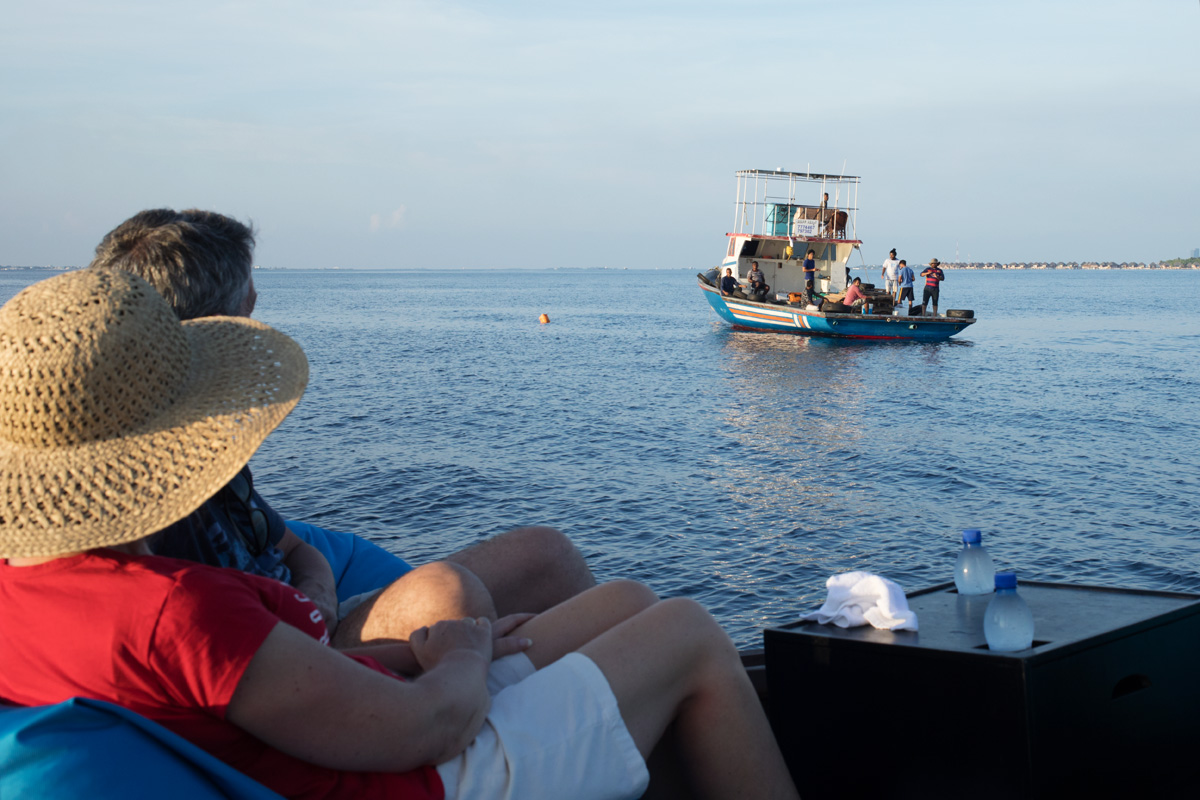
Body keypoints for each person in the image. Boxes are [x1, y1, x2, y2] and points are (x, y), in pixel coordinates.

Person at [0, 268, 801, 800]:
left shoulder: (32, 590)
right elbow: (432, 726)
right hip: (427, 773)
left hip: (352, 728)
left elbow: (266, 687)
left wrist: (434, 650)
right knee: (691, 634)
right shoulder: (174, 610)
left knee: (625, 599)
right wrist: (460, 657)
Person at [87, 209, 595, 647]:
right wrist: (456, 657)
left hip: (306, 626)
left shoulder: (203, 447)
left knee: (549, 553)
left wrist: (317, 598)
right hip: (290, 665)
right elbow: (230, 669)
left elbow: (291, 547)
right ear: (217, 327)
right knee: (447, 595)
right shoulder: (143, 505)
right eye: (250, 308)